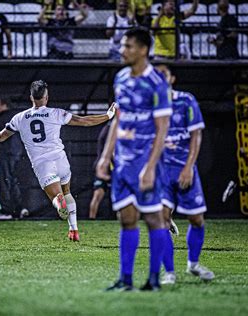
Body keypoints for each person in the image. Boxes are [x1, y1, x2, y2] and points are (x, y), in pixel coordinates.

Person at [0, 80, 116, 241]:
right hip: (60, 159)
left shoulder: (20, 117)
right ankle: (73, 230)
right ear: (46, 97)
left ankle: (58, 202)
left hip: (42, 164)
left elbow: (0, 136)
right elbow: (85, 121)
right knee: (67, 192)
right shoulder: (56, 113)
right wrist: (108, 115)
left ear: (31, 97)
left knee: (56, 197)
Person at [97, 28, 171, 291]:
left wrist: (150, 168)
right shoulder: (121, 78)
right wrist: (106, 156)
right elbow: (119, 119)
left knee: (153, 220)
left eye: (127, 46)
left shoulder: (157, 83)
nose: (122, 50)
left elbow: (162, 128)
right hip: (123, 163)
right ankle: (125, 280)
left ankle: (153, 280)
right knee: (126, 219)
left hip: (146, 162)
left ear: (142, 50)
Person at [155, 65, 215, 285]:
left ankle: (193, 263)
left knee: (196, 220)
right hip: (161, 172)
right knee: (161, 220)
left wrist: (189, 167)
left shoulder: (186, 101)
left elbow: (196, 136)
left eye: (164, 75)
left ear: (172, 78)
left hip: (184, 169)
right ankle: (169, 272)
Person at [0, 97, 27, 218]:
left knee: (4, 181)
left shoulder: (1, 119)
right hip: (18, 153)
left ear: (4, 105)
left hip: (5, 154)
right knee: (14, 181)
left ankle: (6, 211)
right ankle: (19, 209)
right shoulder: (16, 117)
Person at [89, 121, 112, 219]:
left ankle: (92, 218)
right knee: (98, 194)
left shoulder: (107, 129)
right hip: (106, 166)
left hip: (107, 166)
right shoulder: (110, 130)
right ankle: (92, 218)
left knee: (98, 195)